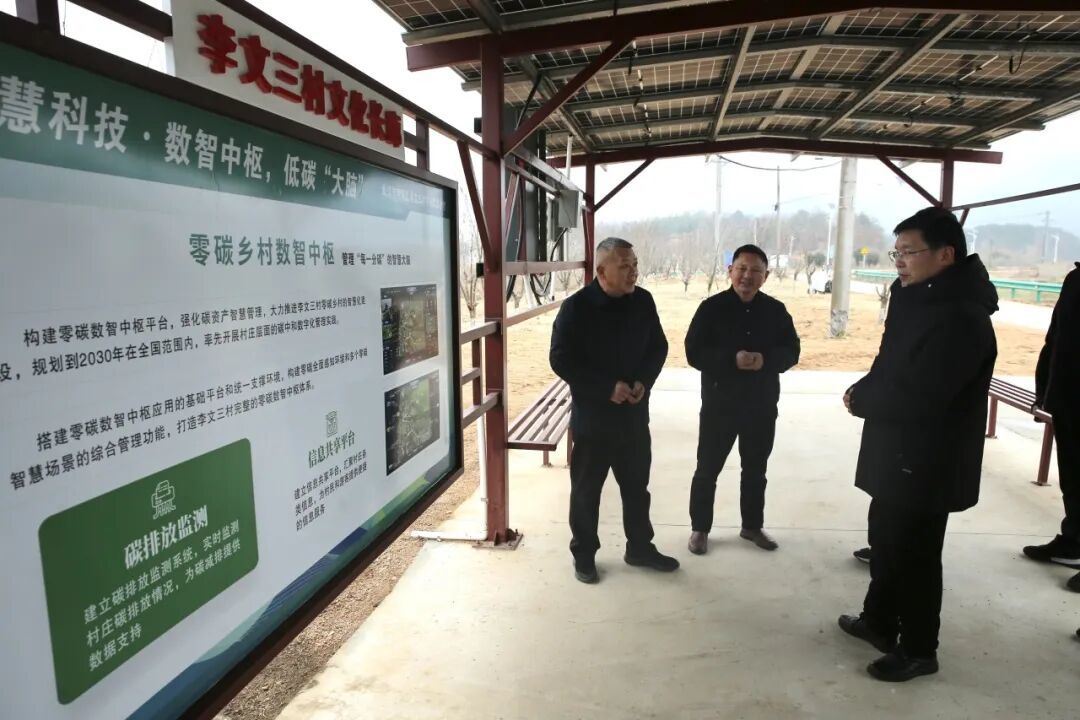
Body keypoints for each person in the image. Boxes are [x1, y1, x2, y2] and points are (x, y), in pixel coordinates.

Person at [837, 207, 998, 682]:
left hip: (928, 458)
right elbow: (890, 362)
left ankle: (920, 648)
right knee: (886, 541)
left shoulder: (962, 316)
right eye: (897, 252)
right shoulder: (915, 297)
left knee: (916, 553)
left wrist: (864, 400)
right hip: (896, 448)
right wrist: (865, 387)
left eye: (909, 252)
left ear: (946, 255)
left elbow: (925, 394)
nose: (900, 262)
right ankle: (879, 621)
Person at [549, 237, 678, 584]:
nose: (633, 272)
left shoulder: (643, 301)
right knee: (586, 493)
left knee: (637, 489)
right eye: (625, 266)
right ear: (602, 271)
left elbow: (658, 347)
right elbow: (560, 359)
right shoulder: (576, 308)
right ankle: (584, 555)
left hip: (634, 418)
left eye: (635, 265)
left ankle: (640, 547)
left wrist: (643, 381)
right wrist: (607, 387)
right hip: (593, 421)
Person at [685, 244, 800, 555]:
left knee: (755, 470)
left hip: (761, 406)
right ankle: (700, 529)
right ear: (730, 271)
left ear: (766, 276)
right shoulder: (711, 309)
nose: (747, 276)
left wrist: (766, 360)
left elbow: (792, 351)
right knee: (707, 469)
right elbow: (693, 351)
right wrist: (731, 359)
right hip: (719, 406)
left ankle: (752, 526)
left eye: (756, 271)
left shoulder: (776, 311)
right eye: (742, 269)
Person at [1024, 261, 1080, 590]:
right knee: (1073, 477)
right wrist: (1044, 387)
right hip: (1068, 396)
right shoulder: (1076, 278)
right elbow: (1056, 337)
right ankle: (1073, 541)